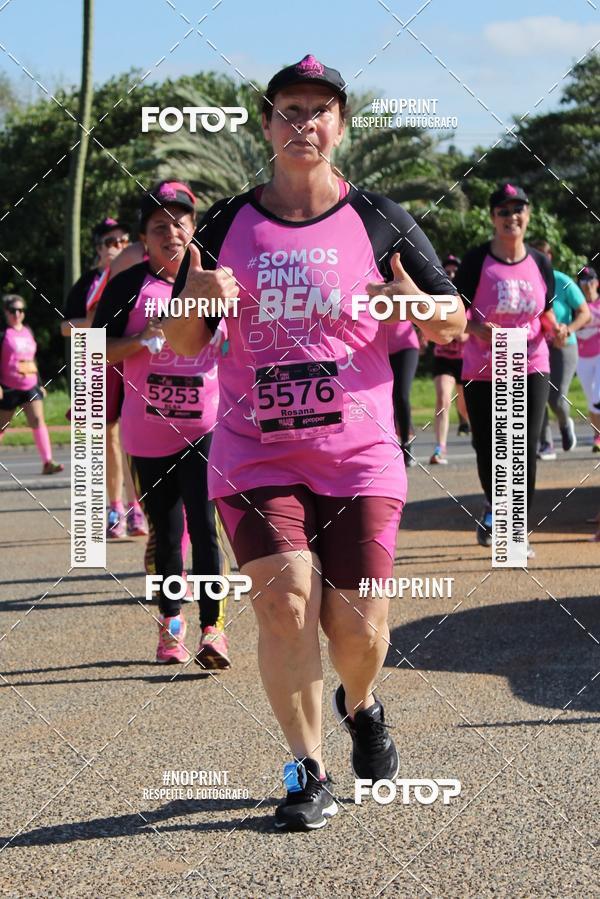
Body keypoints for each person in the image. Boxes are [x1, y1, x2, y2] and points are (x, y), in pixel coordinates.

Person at [164, 55, 465, 830]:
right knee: (284, 598)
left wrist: (422, 306)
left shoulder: (379, 218)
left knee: (359, 626)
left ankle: (361, 703)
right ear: (266, 124)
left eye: (319, 110)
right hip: (254, 452)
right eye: (288, 110)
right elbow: (187, 335)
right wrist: (195, 304)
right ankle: (305, 770)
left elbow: (454, 320)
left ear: (341, 124)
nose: (304, 123)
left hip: (360, 454)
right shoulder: (228, 223)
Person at [92, 180, 231, 669]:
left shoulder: (214, 280)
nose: (171, 233)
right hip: (147, 434)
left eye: (180, 223)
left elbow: (239, 346)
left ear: (193, 230)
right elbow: (94, 348)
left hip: (205, 429)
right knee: (167, 537)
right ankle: (171, 627)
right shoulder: (129, 286)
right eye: (158, 227)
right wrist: (140, 340)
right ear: (143, 241)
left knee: (206, 531)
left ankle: (214, 630)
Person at [455, 184, 560, 557]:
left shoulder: (539, 262)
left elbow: (544, 311)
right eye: (503, 211)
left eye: (519, 210)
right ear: (492, 217)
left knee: (522, 447)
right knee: (489, 446)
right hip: (483, 367)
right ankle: (493, 504)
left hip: (531, 363)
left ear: (528, 216)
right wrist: (476, 329)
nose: (511, 217)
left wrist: (555, 330)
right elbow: (454, 313)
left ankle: (515, 530)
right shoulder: (475, 260)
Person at [63, 218, 147, 539]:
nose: (119, 247)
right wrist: (89, 323)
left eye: (124, 241)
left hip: (132, 360)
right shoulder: (88, 283)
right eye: (111, 242)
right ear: (98, 248)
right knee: (107, 438)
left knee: (130, 436)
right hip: (95, 361)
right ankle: (115, 508)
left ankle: (136, 508)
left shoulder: (139, 280)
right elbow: (65, 327)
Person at [529, 239, 591, 461]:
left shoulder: (562, 281)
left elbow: (585, 313)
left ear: (549, 258)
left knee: (555, 397)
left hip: (564, 346)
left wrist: (567, 329)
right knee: (536, 395)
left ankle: (565, 424)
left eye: (541, 257)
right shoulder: (527, 283)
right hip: (537, 346)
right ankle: (546, 445)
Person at [0, 295, 64, 473]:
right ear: (6, 311)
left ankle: (48, 462)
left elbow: (32, 358)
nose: (17, 314)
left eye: (21, 310)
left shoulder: (28, 331)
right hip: (8, 387)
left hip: (30, 384)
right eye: (13, 310)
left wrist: (40, 383)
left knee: (37, 420)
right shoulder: (3, 333)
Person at [429, 254, 469, 464]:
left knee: (464, 407)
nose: (451, 274)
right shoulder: (435, 296)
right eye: (448, 271)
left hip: (465, 359)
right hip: (443, 358)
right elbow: (430, 327)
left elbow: (465, 332)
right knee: (443, 398)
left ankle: (481, 439)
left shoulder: (468, 297)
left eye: (455, 271)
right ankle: (440, 448)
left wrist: (449, 329)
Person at [575, 266, 600, 453]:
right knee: (592, 399)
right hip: (582, 358)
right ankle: (597, 435)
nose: (588, 285)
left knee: (599, 394)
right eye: (583, 282)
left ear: (597, 283)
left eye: (590, 280)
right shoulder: (577, 307)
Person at [387, 322, 419, 466]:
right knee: (387, 398)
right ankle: (390, 442)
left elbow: (420, 308)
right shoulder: (365, 298)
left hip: (406, 346)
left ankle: (406, 443)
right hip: (381, 348)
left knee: (401, 394)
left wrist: (426, 331)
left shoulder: (400, 297)